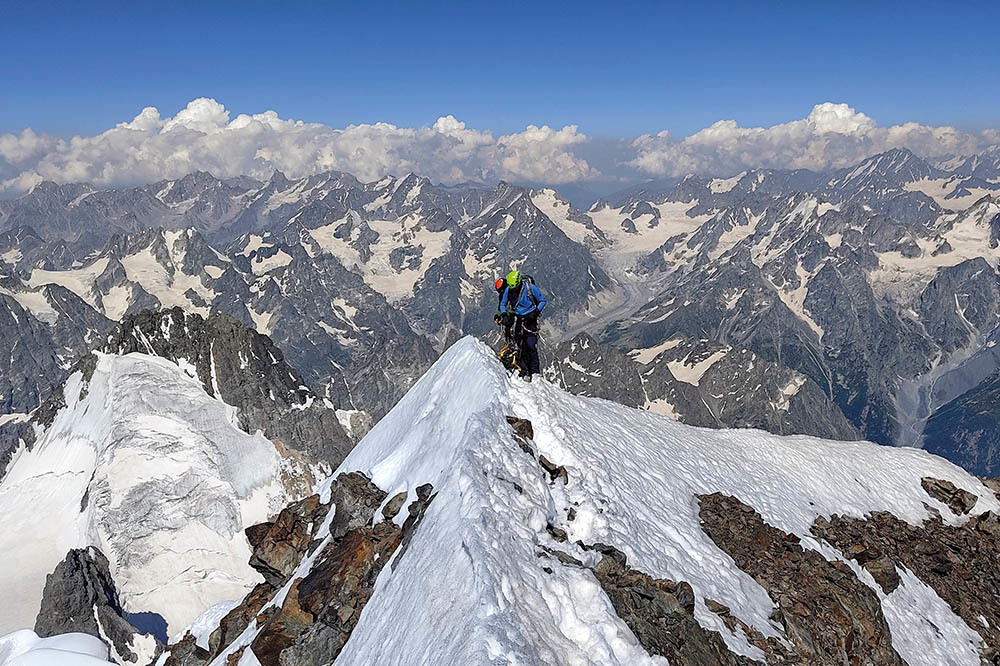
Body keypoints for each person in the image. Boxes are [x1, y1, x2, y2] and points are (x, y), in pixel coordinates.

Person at [498, 270, 547, 381]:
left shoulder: (530, 288)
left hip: (531, 318)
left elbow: (542, 300)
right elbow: (503, 304)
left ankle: (534, 371)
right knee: (520, 345)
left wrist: (535, 312)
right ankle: (525, 371)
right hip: (518, 318)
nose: (513, 290)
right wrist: (504, 314)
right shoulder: (508, 290)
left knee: (530, 344)